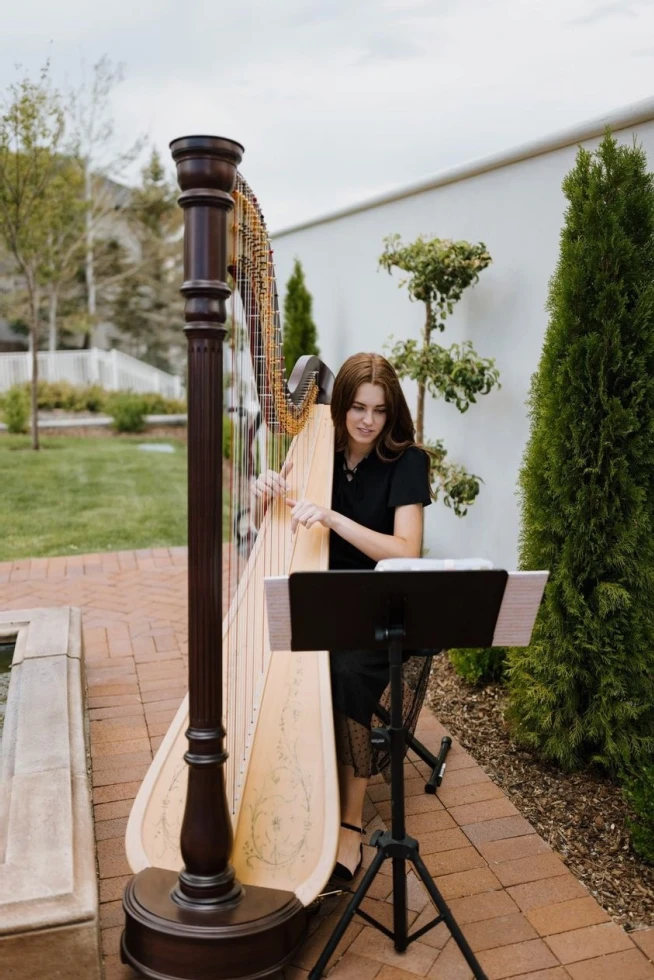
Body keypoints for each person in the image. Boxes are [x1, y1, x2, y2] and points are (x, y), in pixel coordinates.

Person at [252, 352, 432, 880]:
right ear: (340, 407)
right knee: (278, 652)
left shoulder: (407, 462)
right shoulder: (315, 447)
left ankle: (350, 821)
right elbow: (281, 522)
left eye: (378, 410)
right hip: (322, 593)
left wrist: (333, 517)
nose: (367, 421)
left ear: (391, 411)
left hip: (378, 604)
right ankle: (292, 778)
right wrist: (267, 496)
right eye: (357, 407)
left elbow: (405, 552)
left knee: (349, 669)